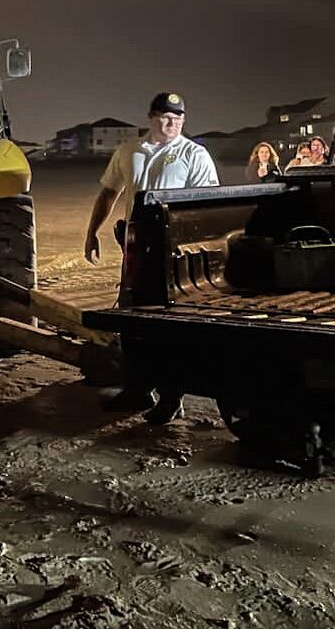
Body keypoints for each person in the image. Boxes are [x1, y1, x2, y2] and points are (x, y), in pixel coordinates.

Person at [84, 91, 219, 425]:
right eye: (164, 116)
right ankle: (138, 388)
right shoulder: (129, 151)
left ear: (183, 120)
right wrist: (92, 233)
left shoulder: (194, 154)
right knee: (132, 322)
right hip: (134, 249)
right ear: (151, 116)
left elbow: (207, 205)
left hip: (172, 255)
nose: (170, 123)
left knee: (170, 328)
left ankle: (172, 397)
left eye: (177, 118)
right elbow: (108, 193)